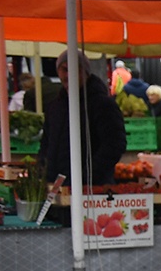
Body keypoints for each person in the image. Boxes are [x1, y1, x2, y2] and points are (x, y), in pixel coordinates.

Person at [38, 57, 125, 187]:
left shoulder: (103, 104)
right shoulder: (55, 107)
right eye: (64, 69)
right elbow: (46, 143)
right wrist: (43, 170)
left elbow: (114, 145)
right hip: (56, 187)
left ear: (86, 72)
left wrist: (86, 176)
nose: (69, 75)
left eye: (74, 69)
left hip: (92, 189)